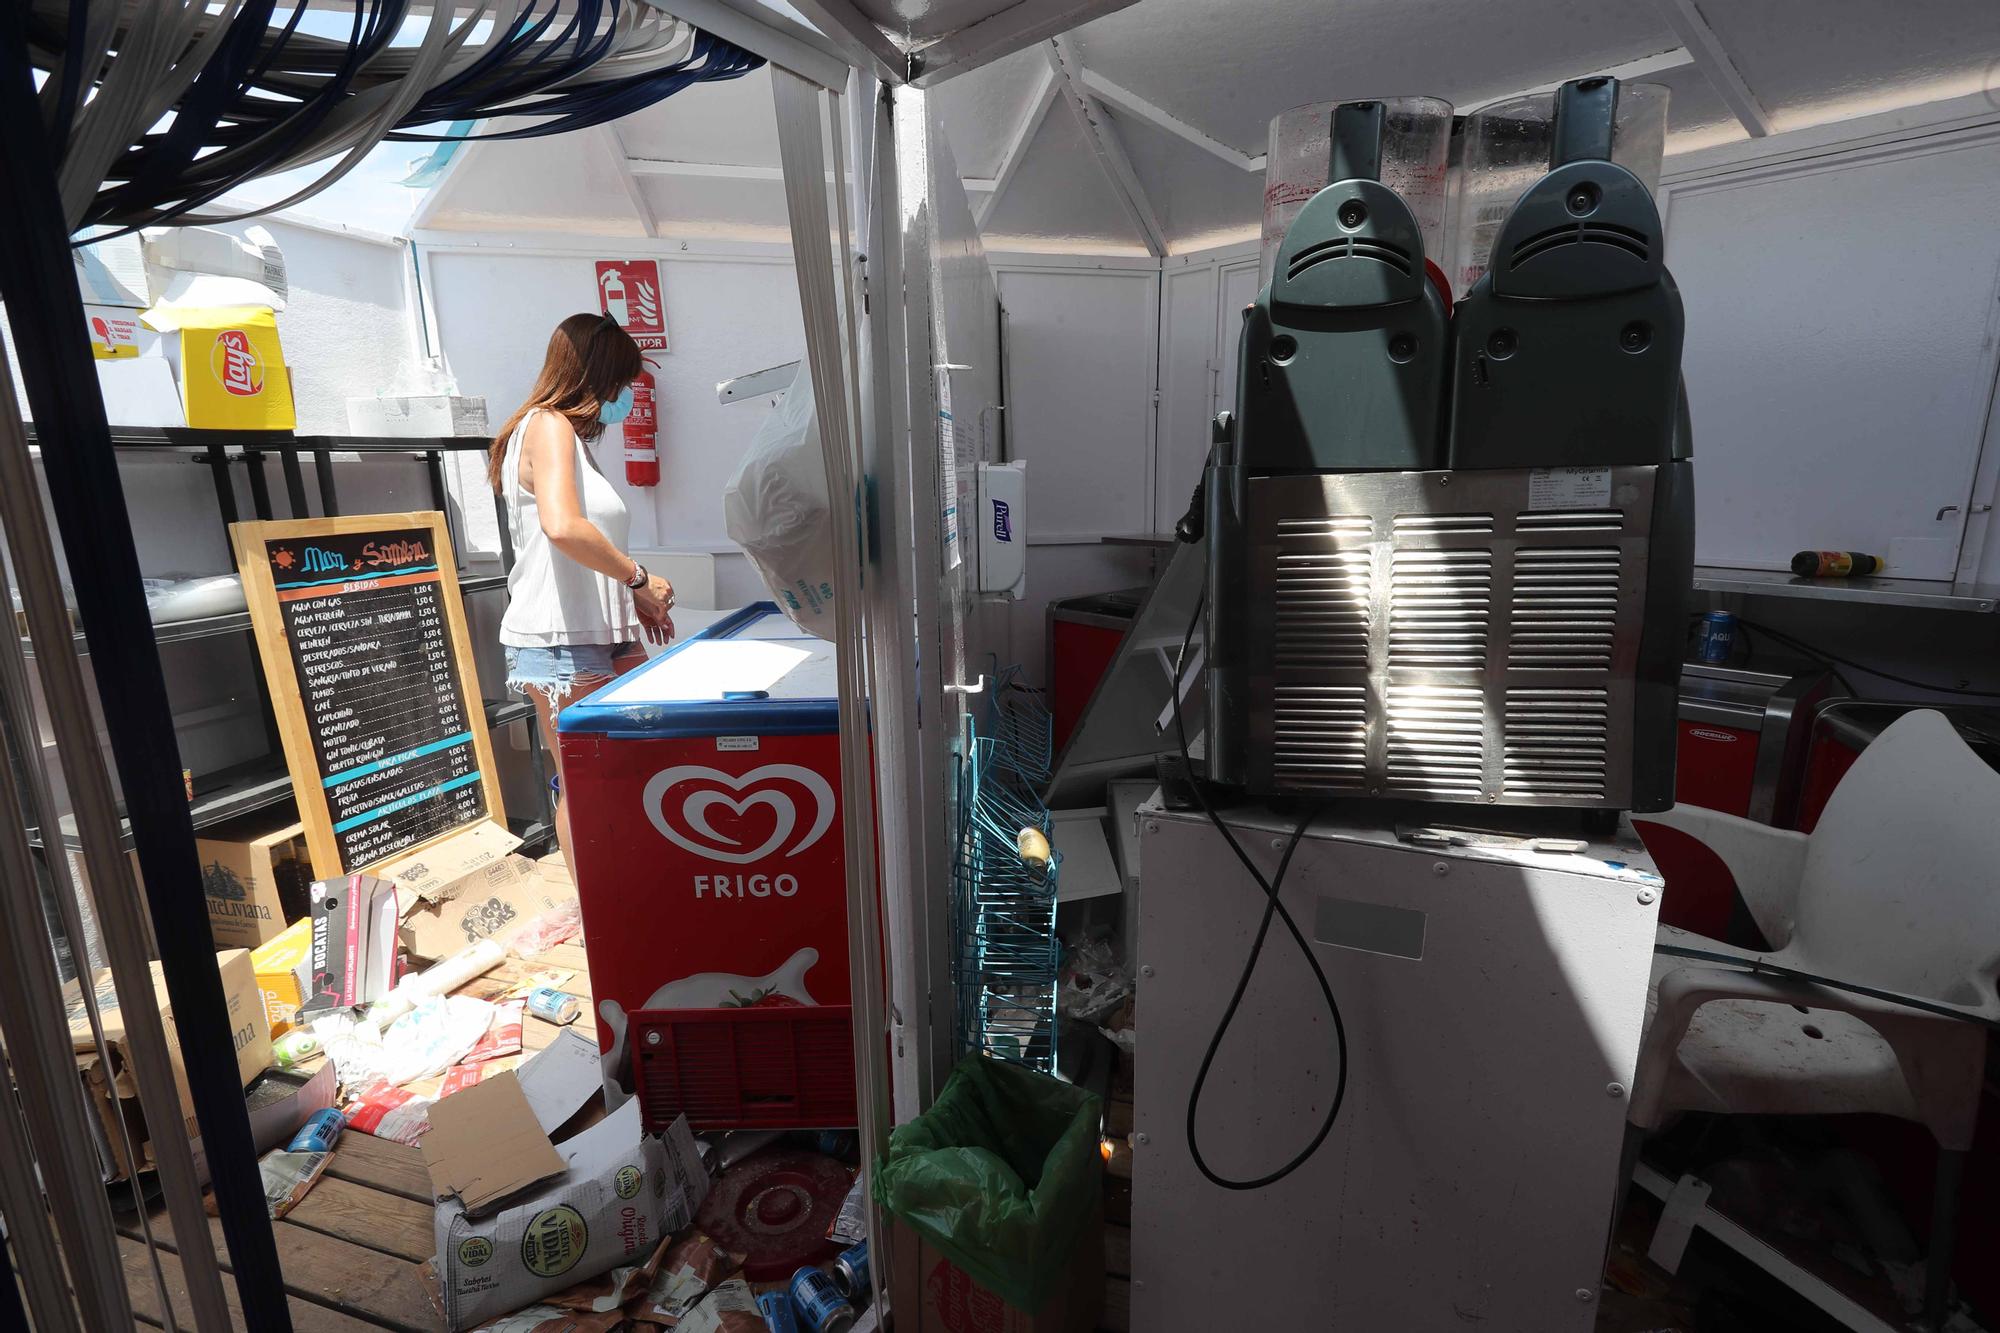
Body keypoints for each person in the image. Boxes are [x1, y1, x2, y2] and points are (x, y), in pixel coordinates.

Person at [491, 312, 675, 869]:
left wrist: (631, 595)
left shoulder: (567, 439)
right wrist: (638, 579)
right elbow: (564, 526)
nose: (621, 399)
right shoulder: (548, 425)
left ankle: (626, 896)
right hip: (561, 642)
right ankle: (599, 916)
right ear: (595, 377)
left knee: (625, 774)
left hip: (597, 635)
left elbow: (581, 540)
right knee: (587, 784)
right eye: (619, 384)